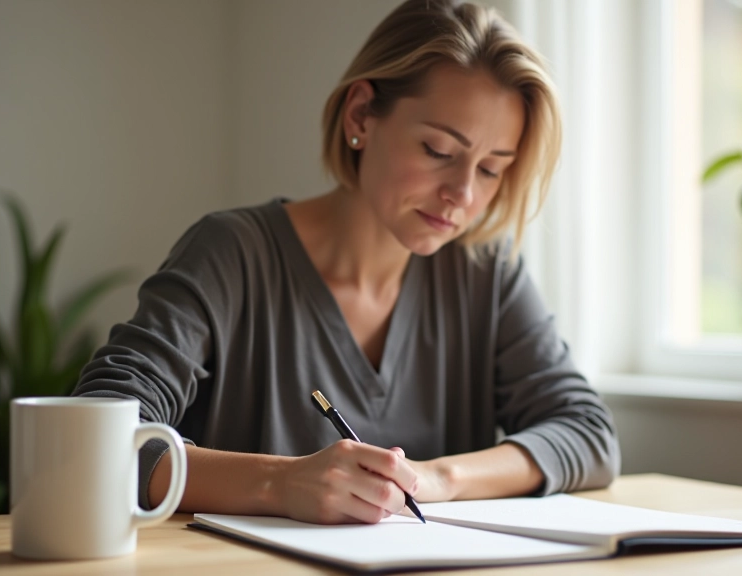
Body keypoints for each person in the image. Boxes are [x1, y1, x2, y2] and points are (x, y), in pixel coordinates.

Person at [73, 0, 620, 526]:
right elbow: (96, 433)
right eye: (438, 150)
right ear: (361, 113)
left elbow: (587, 432)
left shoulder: (485, 272)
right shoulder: (231, 253)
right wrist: (281, 484)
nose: (463, 195)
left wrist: (437, 479)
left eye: (491, 169)